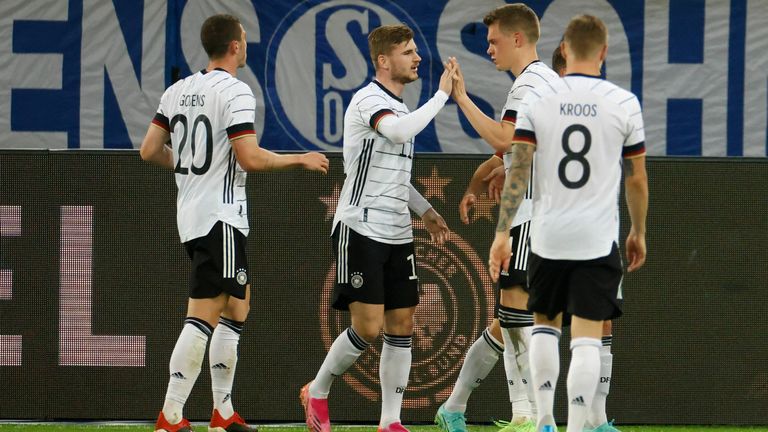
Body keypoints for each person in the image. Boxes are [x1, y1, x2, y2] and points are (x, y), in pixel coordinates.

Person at [140, 14, 329, 432]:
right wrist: (299, 159)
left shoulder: (176, 90)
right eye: (243, 38)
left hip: (193, 215)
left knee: (237, 305)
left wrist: (190, 168)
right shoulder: (236, 91)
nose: (245, 44)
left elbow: (149, 150)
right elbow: (250, 157)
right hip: (219, 216)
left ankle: (223, 413)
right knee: (204, 314)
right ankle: (171, 415)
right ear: (235, 46)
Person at [488, 14, 648, 432]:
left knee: (544, 327)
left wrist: (503, 232)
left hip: (547, 235)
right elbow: (636, 178)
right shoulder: (623, 103)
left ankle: (544, 418)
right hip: (596, 237)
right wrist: (638, 231)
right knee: (587, 337)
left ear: (564, 50)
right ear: (604, 51)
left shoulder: (538, 100)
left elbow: (517, 170)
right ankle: (577, 425)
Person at [300, 24, 453, 432]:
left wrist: (425, 211)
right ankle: (317, 390)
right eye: (408, 52)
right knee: (367, 327)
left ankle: (390, 421)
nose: (417, 58)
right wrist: (442, 95)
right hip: (361, 227)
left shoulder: (402, 108)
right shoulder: (368, 99)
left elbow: (395, 175)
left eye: (415, 50)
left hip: (398, 231)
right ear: (384, 61)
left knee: (402, 324)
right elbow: (399, 133)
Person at [435, 5, 559, 432]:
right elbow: (511, 151)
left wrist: (462, 98)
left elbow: (505, 140)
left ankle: (516, 412)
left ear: (517, 38)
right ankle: (493, 410)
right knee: (513, 320)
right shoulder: (546, 82)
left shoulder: (528, 85)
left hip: (532, 216)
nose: (488, 48)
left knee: (516, 321)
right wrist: (477, 183)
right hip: (545, 217)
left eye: (493, 40)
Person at [551, 44, 620, 432]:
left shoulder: (608, 108)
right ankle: (537, 415)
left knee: (601, 322)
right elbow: (515, 151)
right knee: (535, 325)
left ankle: (596, 418)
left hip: (600, 233)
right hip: (554, 236)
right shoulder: (545, 106)